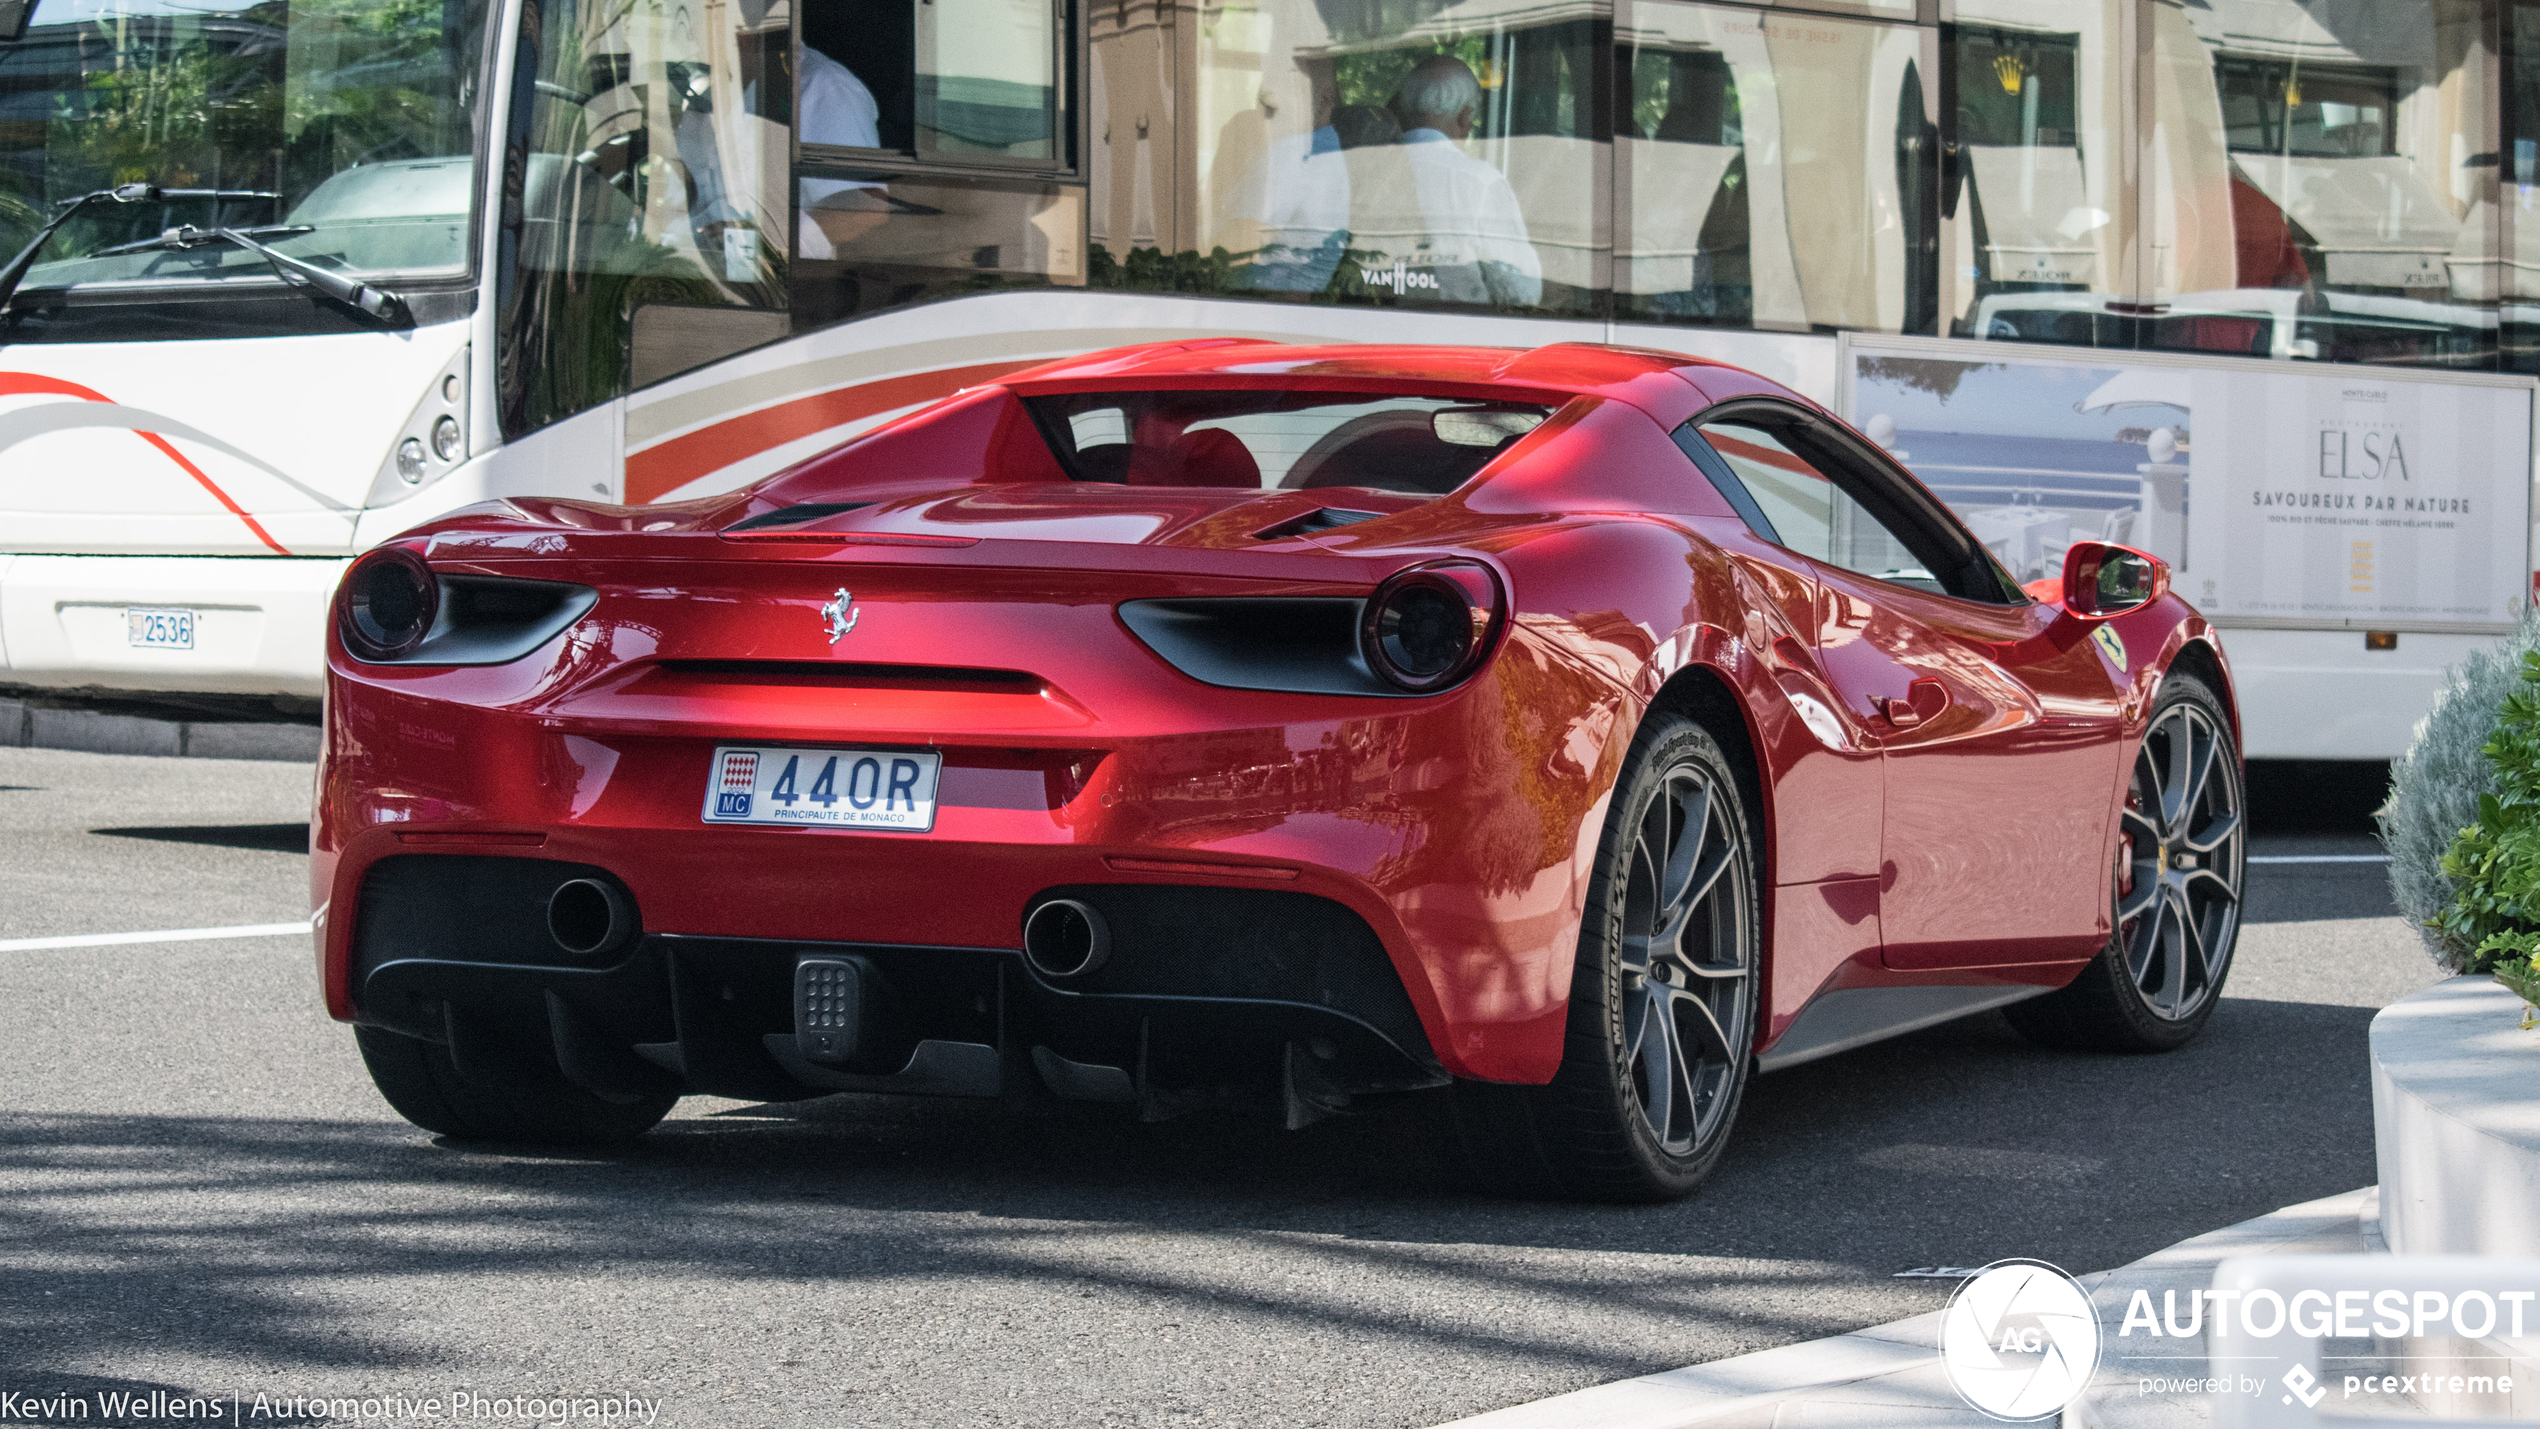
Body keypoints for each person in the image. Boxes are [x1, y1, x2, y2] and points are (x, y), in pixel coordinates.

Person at [1381, 55, 1541, 306]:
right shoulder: (1480, 183)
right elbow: (1520, 292)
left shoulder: (1367, 167)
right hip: (1459, 338)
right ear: (1464, 117)